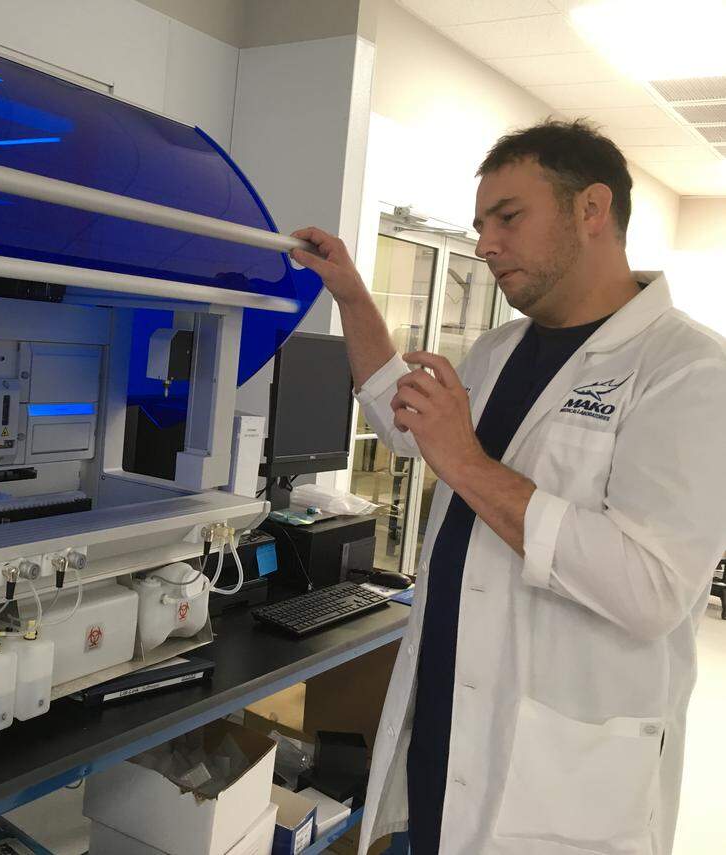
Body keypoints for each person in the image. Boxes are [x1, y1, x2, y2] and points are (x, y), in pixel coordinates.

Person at [292, 119, 726, 855]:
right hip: (445, 737)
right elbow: (406, 422)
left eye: (508, 218)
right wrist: (352, 295)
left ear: (592, 210)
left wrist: (465, 462)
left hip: (559, 783)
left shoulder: (689, 372)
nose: (486, 244)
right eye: (481, 224)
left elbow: (652, 589)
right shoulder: (499, 349)